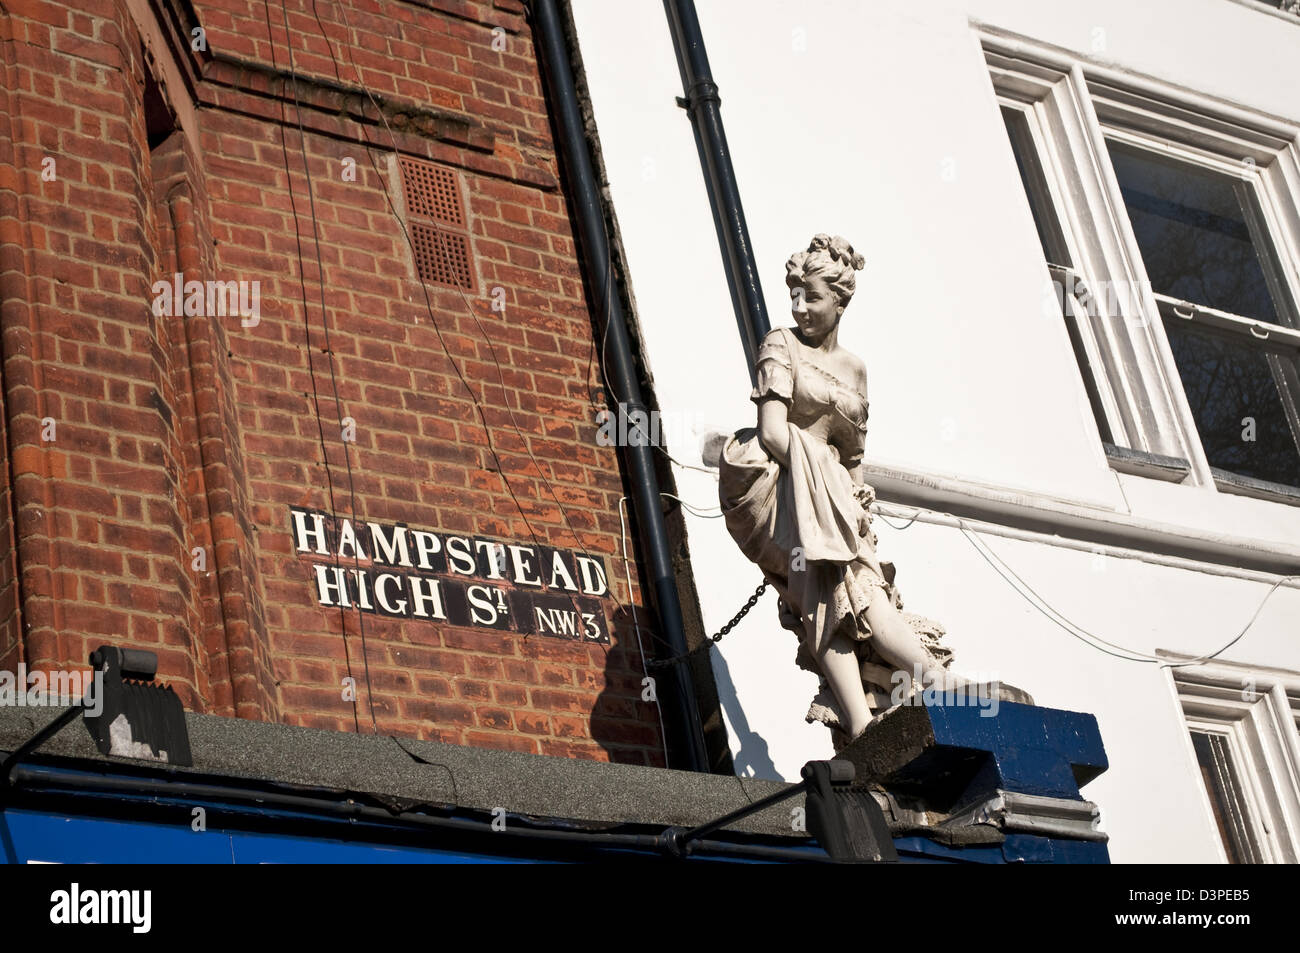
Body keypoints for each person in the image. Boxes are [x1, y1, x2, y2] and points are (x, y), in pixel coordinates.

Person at [717, 234, 976, 747]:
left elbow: (853, 454)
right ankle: (889, 704)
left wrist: (855, 500)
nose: (799, 308)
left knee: (863, 588)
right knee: (823, 593)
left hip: (832, 490)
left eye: (811, 297)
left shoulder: (856, 369)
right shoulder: (780, 344)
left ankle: (906, 692)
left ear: (841, 300)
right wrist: (829, 481)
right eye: (794, 296)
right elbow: (772, 431)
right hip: (782, 486)